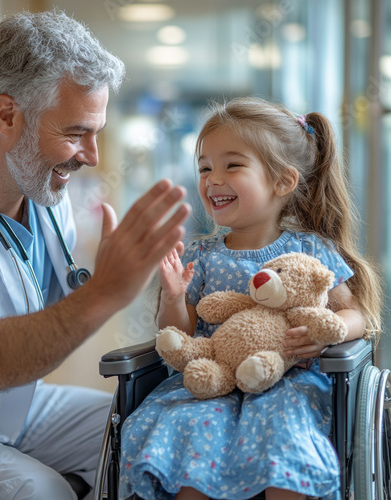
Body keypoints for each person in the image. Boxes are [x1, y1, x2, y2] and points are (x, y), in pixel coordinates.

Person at [0, 10, 191, 500]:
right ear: (6, 115)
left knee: (160, 431)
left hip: (18, 405)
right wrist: (105, 293)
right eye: (76, 133)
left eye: (96, 132)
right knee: (40, 491)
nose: (92, 155)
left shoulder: (42, 192)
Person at [119, 97, 382, 500]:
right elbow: (178, 335)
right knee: (189, 429)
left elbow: (354, 314)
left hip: (289, 380)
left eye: (232, 165)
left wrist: (329, 333)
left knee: (284, 436)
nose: (212, 179)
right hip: (213, 378)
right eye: (205, 167)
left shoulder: (310, 249)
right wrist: (173, 298)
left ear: (282, 181)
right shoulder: (201, 255)